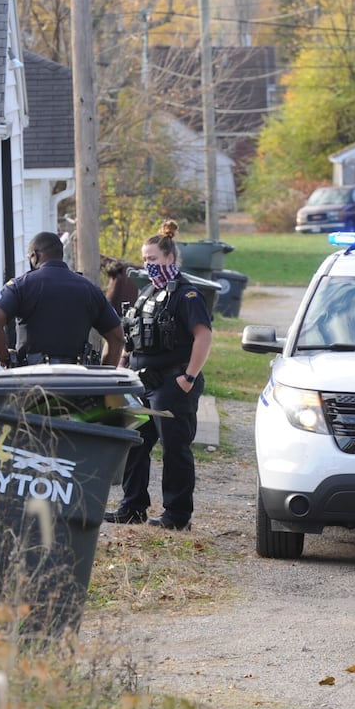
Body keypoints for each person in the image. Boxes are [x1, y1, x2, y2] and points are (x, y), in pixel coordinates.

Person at [105, 221, 214, 531]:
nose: (147, 265)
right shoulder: (148, 292)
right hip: (142, 381)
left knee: (175, 449)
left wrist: (188, 378)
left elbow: (203, 337)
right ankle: (132, 507)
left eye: (152, 259)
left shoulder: (186, 295)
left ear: (170, 258)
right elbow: (133, 335)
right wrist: (122, 370)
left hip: (172, 382)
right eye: (144, 259)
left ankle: (177, 516)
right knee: (136, 443)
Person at [0, 231, 124, 367]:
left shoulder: (20, 286)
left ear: (35, 256)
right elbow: (117, 337)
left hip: (31, 380)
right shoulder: (90, 289)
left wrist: (6, 358)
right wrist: (103, 378)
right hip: (77, 382)